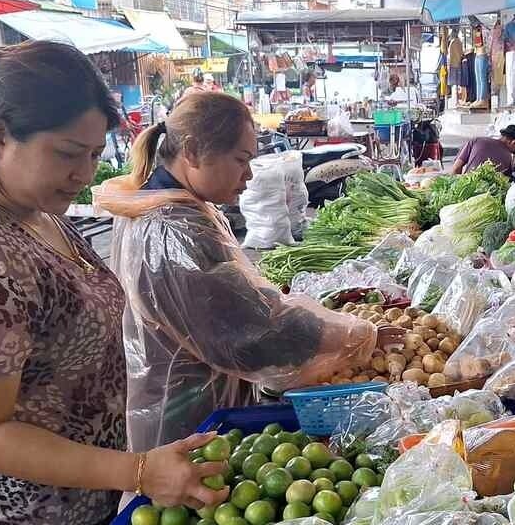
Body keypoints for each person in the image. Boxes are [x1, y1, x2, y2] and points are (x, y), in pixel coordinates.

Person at [0, 41, 227, 524]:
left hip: (74, 503)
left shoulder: (41, 217)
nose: (84, 172)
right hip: (3, 514)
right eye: (67, 154)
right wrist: (138, 471)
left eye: (95, 154)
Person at [94, 92, 376, 452]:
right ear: (193, 150)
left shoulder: (170, 207)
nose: (248, 175)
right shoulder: (172, 228)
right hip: (187, 421)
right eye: (241, 159)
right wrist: (358, 334)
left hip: (191, 399)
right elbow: (255, 330)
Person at [451, 124, 515, 177]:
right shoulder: (508, 158)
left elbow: (456, 168)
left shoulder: (476, 141)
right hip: (489, 196)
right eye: (514, 150)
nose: (511, 153)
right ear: (514, 142)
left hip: (466, 190)